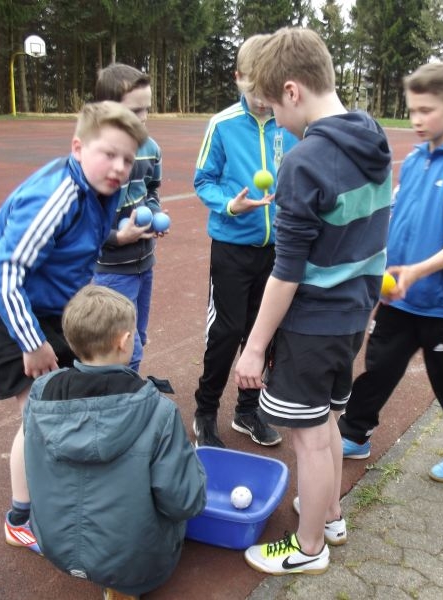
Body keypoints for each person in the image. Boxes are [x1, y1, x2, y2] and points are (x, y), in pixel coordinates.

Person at [234, 28, 393, 575]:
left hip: (313, 322)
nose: (277, 121)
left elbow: (286, 272)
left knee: (308, 439)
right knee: (325, 423)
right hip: (351, 315)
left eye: (274, 107)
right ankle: (330, 515)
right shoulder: (373, 135)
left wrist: (254, 347)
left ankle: (307, 549)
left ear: (293, 90)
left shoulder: (304, 162)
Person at [0, 101, 147, 554]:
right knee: (39, 414)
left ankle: (59, 489)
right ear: (78, 147)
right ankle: (20, 518)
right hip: (6, 304)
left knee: (64, 400)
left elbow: (76, 238)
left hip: (50, 303)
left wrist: (117, 237)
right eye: (109, 154)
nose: (119, 167)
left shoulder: (101, 190)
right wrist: (31, 342)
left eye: (128, 159)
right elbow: (4, 272)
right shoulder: (58, 194)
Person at [337, 62, 443, 484]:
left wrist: (417, 272)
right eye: (412, 111)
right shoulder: (412, 161)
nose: (417, 120)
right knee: (378, 368)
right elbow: (394, 217)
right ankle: (355, 433)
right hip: (397, 295)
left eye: (426, 110)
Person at [24, 285, 206, 599]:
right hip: (134, 562)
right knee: (182, 492)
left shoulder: (41, 393)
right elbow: (185, 501)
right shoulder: (158, 411)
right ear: (124, 342)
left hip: (54, 545)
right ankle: (126, 588)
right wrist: (193, 463)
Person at [192, 34, 298, 448]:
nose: (261, 99)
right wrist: (230, 206)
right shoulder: (222, 124)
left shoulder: (289, 125)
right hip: (232, 248)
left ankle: (247, 411)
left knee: (263, 332)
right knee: (227, 330)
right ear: (238, 78)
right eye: (254, 89)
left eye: (268, 90)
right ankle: (205, 411)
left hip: (278, 250)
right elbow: (203, 180)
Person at [93, 63, 165, 372]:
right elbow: (84, 221)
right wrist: (117, 238)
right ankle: (120, 394)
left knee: (139, 338)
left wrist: (155, 213)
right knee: (121, 347)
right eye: (135, 111)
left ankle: (126, 387)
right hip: (112, 268)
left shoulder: (150, 149)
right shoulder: (95, 156)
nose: (144, 117)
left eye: (147, 109)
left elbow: (151, 190)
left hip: (144, 262)